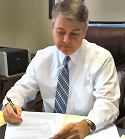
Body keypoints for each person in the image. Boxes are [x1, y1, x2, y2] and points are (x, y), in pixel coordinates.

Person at [2, 0, 120, 138]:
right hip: (49, 132)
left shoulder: (102, 59)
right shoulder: (42, 58)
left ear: (84, 32)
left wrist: (86, 125)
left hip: (89, 132)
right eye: (60, 32)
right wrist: (10, 105)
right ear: (52, 28)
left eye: (74, 34)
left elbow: (108, 103)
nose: (66, 40)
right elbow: (21, 89)